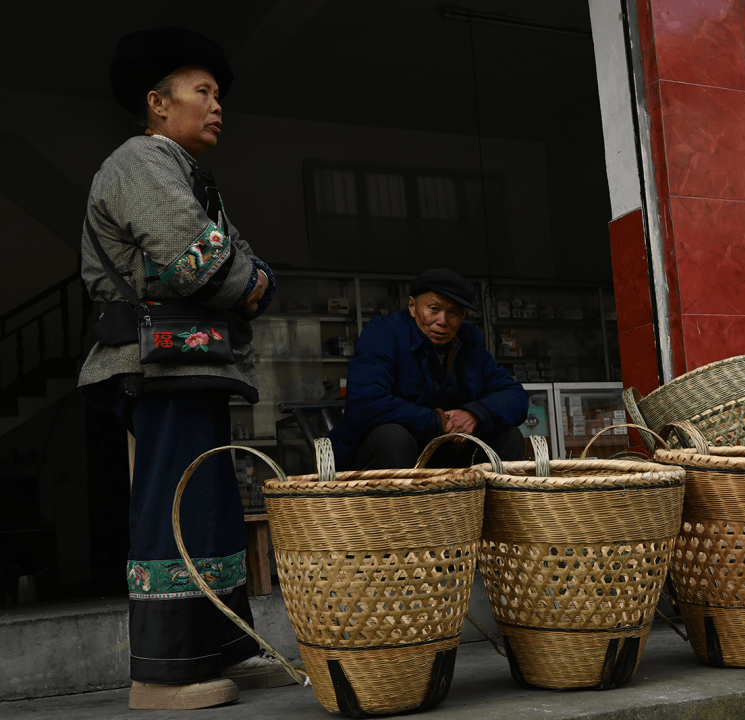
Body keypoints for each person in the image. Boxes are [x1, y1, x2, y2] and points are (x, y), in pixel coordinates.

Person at [78, 28, 289, 710]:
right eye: (203, 92)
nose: (216, 105)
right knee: (172, 504)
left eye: (218, 94)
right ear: (158, 104)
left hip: (194, 363)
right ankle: (162, 674)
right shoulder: (141, 158)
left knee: (211, 505)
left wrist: (252, 278)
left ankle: (224, 646)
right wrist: (251, 282)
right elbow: (195, 257)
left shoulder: (188, 170)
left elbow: (247, 263)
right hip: (156, 362)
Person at [329, 268, 528, 469]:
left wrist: (475, 415)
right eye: (434, 309)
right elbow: (365, 402)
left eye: (453, 313)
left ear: (463, 315)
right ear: (413, 306)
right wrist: (435, 421)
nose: (442, 321)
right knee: (392, 436)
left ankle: (492, 501)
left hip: (448, 455)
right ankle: (401, 502)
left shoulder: (469, 341)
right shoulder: (383, 333)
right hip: (387, 460)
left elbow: (515, 396)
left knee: (509, 436)